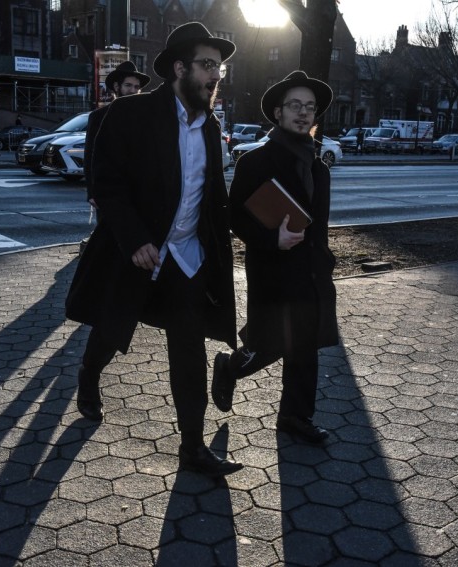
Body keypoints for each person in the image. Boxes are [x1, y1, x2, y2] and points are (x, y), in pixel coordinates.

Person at [64, 22, 241, 477]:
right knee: (112, 327)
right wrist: (135, 238)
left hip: (185, 257)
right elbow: (108, 183)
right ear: (179, 68)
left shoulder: (210, 127)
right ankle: (89, 372)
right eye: (206, 65)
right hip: (137, 252)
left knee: (189, 348)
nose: (214, 75)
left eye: (218, 68)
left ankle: (193, 447)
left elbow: (208, 196)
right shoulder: (132, 114)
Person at [211, 71, 339, 445]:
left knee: (305, 347)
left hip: (311, 272)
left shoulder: (320, 168)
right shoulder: (256, 162)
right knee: (271, 344)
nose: (303, 113)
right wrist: (271, 239)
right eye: (295, 106)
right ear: (279, 113)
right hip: (271, 269)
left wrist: (324, 262)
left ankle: (295, 418)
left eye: (309, 107)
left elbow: (320, 227)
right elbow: (233, 217)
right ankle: (231, 366)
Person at [84, 60, 150, 204]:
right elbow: (90, 157)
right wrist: (92, 193)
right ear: (116, 86)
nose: (133, 90)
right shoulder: (98, 117)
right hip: (108, 190)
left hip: (139, 191)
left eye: (137, 87)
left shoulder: (146, 117)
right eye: (128, 85)